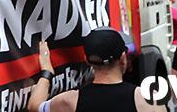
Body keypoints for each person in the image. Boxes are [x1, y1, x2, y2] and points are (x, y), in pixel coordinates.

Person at [26, 29, 163, 112]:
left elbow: (34, 106)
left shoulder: (70, 101)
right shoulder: (148, 99)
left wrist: (47, 72)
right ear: (123, 58)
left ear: (87, 60)